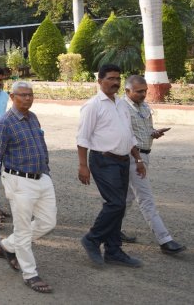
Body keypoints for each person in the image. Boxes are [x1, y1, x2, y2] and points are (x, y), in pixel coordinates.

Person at [0, 81, 56, 293]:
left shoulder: (32, 118)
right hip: (19, 181)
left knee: (48, 222)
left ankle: (8, 245)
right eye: (22, 95)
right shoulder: (4, 123)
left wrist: (47, 172)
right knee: (23, 229)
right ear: (12, 97)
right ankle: (30, 273)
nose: (27, 98)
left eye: (30, 95)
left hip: (41, 178)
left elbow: (41, 146)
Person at [78, 64, 146, 268]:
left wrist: (138, 159)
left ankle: (114, 251)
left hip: (123, 160)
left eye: (118, 78)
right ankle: (92, 238)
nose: (115, 82)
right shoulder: (93, 106)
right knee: (115, 204)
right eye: (110, 78)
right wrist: (83, 165)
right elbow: (82, 138)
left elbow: (129, 135)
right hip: (103, 160)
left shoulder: (121, 104)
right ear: (99, 81)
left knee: (120, 205)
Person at [122, 75, 185, 255]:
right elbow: (126, 136)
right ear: (127, 91)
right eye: (139, 91)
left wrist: (154, 133)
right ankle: (165, 239)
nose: (143, 94)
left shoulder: (144, 106)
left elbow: (144, 130)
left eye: (145, 91)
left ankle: (112, 230)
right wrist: (139, 160)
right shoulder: (122, 108)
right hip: (134, 157)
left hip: (144, 155)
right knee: (145, 198)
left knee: (127, 197)